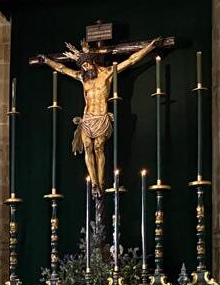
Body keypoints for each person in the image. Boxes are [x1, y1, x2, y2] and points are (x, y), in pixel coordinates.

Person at [40, 38, 160, 195]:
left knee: (98, 147)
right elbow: (62, 68)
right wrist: (47, 61)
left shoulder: (107, 73)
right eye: (83, 66)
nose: (85, 68)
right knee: (88, 148)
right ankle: (94, 183)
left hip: (101, 117)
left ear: (93, 61)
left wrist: (150, 47)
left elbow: (131, 60)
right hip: (87, 117)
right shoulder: (84, 77)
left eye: (87, 64)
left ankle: (101, 182)